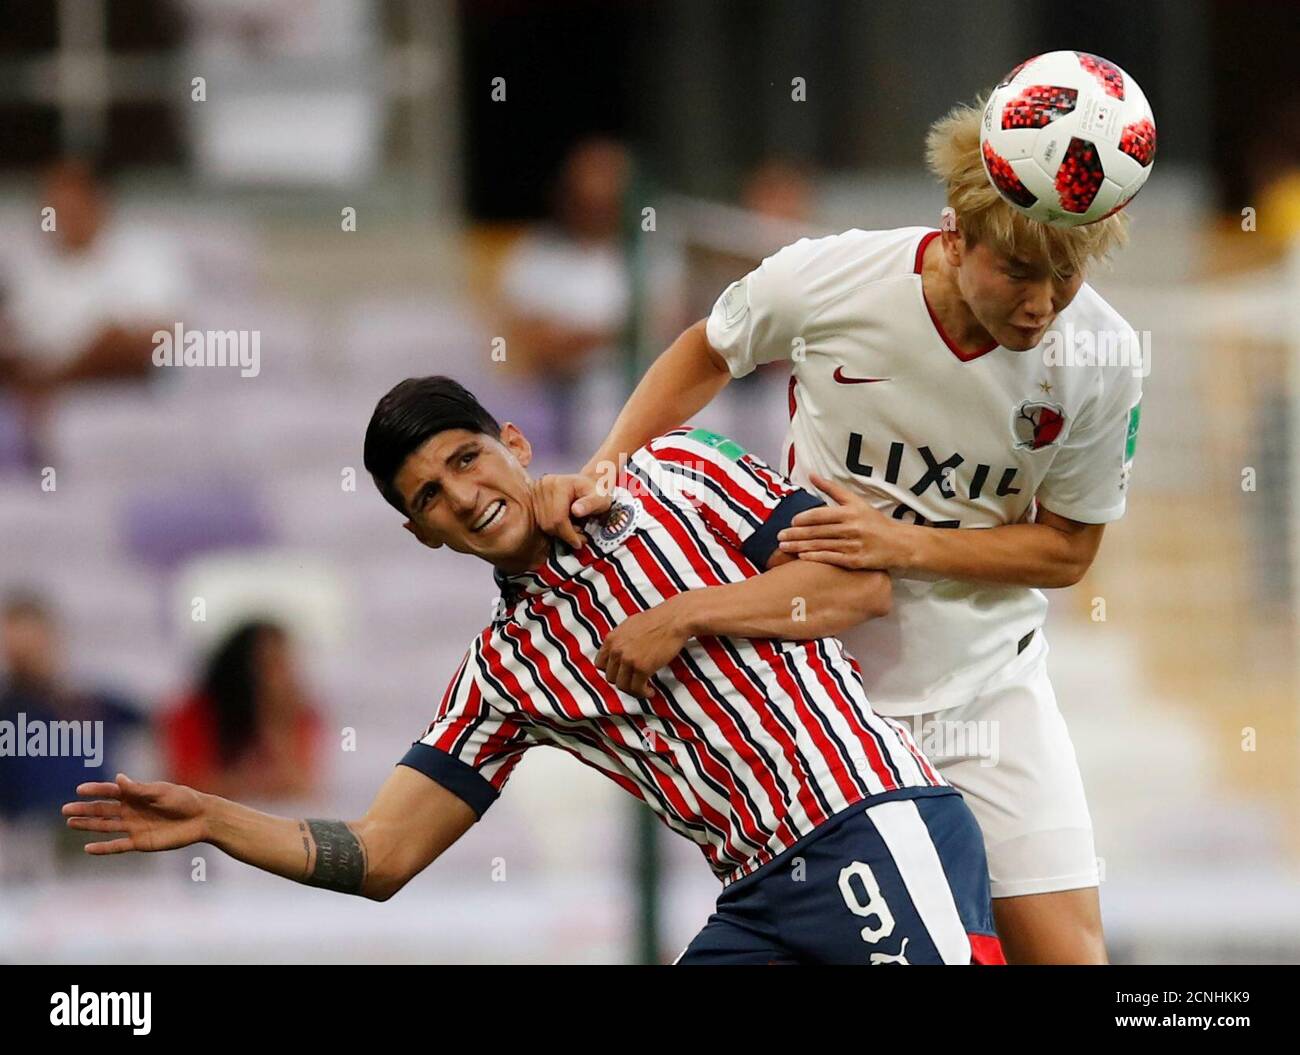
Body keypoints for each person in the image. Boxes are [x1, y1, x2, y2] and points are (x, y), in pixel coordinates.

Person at [64, 375, 1003, 965]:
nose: (464, 497)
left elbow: (858, 588)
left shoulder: (675, 473)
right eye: (429, 494)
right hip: (754, 896)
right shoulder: (502, 673)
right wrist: (216, 819)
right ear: (419, 533)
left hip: (869, 824)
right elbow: (384, 854)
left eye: (467, 458)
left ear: (514, 442)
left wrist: (679, 615)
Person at [535, 92, 1144, 964]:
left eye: (1066, 278)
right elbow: (710, 348)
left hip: (987, 689)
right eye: (1017, 270)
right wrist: (610, 460)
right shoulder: (831, 278)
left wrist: (906, 543)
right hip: (829, 704)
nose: (1041, 303)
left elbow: (1068, 549)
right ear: (957, 233)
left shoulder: (1102, 357)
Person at [159, 619, 322, 801]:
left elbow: (301, 787)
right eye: (271, 665)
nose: (282, 677)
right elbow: (186, 785)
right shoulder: (197, 712)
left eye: (286, 665)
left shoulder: (298, 715)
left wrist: (275, 722)